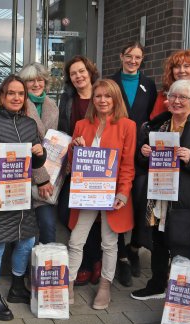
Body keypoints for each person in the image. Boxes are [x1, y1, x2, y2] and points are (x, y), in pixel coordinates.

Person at [130, 79, 190, 301]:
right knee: (158, 242)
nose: (176, 101)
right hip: (159, 197)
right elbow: (142, 162)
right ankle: (156, 284)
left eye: (182, 97)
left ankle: (180, 296)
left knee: (181, 247)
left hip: (188, 199)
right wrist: (143, 153)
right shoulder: (160, 123)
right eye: (173, 96)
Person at [0, 75, 50, 321]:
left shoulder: (29, 125)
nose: (16, 97)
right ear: (2, 97)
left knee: (26, 241)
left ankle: (17, 287)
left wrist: (40, 153)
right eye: (11, 93)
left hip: (20, 195)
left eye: (20, 94)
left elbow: (34, 162)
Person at [66, 79, 136, 310]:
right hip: (86, 192)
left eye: (108, 96)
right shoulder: (81, 124)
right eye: (98, 96)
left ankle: (105, 286)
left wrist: (124, 193)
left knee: (109, 243)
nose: (103, 100)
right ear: (92, 99)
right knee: (76, 240)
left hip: (111, 193)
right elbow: (71, 164)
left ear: (115, 99)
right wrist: (74, 148)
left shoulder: (127, 126)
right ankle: (69, 284)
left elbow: (127, 164)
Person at [109, 42, 158, 285]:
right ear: (121, 56)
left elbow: (152, 119)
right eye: (129, 56)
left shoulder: (149, 85)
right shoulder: (110, 82)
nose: (133, 61)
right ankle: (121, 258)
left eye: (138, 57)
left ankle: (135, 248)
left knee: (140, 199)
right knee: (114, 203)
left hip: (139, 152)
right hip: (114, 151)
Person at [58, 56, 104, 286]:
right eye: (73, 73)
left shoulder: (103, 93)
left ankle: (93, 262)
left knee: (94, 215)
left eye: (82, 71)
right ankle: (90, 260)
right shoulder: (67, 98)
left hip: (99, 165)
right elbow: (64, 130)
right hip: (75, 164)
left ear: (90, 71)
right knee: (68, 212)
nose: (78, 76)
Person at [19, 62, 60, 244]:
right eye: (30, 81)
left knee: (48, 226)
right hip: (24, 176)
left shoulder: (52, 105)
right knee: (22, 232)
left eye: (40, 80)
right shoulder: (18, 105)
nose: (36, 85)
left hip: (47, 177)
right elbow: (26, 144)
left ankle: (44, 269)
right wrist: (41, 177)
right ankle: (22, 271)